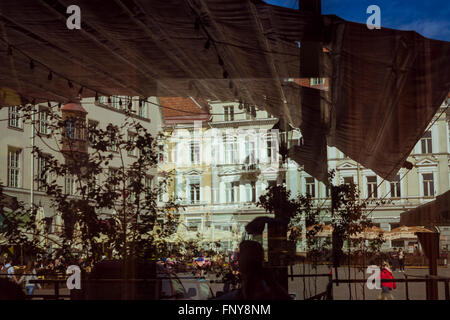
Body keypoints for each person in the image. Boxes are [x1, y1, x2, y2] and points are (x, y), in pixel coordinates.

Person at [216, 240, 292, 300]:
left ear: (248, 259)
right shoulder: (265, 281)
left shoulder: (260, 286)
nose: (238, 258)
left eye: (240, 254)